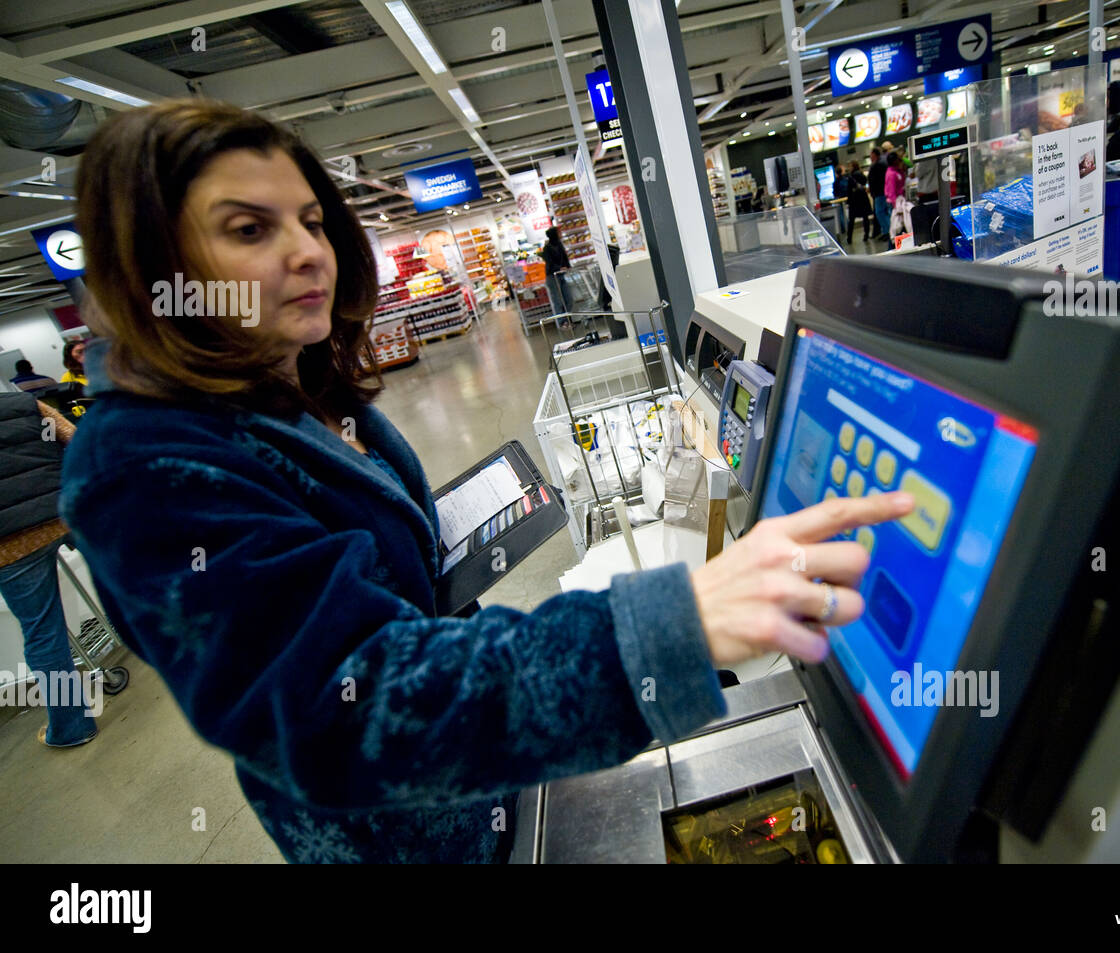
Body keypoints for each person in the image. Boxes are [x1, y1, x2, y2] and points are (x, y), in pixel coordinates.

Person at [63, 100, 915, 864]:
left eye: (312, 221)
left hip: (482, 793)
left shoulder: (286, 387)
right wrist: (667, 628)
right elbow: (339, 702)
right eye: (249, 230)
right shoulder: (137, 468)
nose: (306, 251)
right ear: (151, 264)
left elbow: (358, 579)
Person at [0, 390, 98, 747]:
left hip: (10, 546)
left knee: (43, 634)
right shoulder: (22, 404)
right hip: (66, 512)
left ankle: (73, 727)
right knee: (131, 584)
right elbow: (75, 440)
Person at [540, 226, 571, 319]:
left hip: (561, 275)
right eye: (559, 232)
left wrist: (567, 266)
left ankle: (568, 318)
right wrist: (560, 268)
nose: (561, 234)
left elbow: (565, 257)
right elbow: (549, 263)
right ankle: (562, 321)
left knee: (568, 299)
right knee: (557, 301)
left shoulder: (559, 244)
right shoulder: (547, 248)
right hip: (552, 277)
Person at [845, 161, 872, 246]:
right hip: (863, 198)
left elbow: (849, 189)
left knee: (851, 220)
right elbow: (865, 182)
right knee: (865, 217)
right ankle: (866, 235)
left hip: (854, 200)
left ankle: (849, 238)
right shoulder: (861, 174)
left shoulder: (851, 176)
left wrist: (848, 201)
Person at [869, 146, 892, 246]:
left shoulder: (877, 165)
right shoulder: (883, 163)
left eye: (871, 154)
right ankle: (887, 231)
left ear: (875, 154)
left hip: (880, 193)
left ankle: (888, 231)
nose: (870, 156)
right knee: (884, 212)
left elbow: (874, 180)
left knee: (880, 212)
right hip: (883, 192)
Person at [883, 152, 907, 244]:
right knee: (894, 226)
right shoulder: (891, 174)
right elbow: (891, 191)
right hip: (894, 203)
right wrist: (896, 207)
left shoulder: (897, 171)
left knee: (899, 226)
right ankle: (892, 246)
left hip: (899, 202)